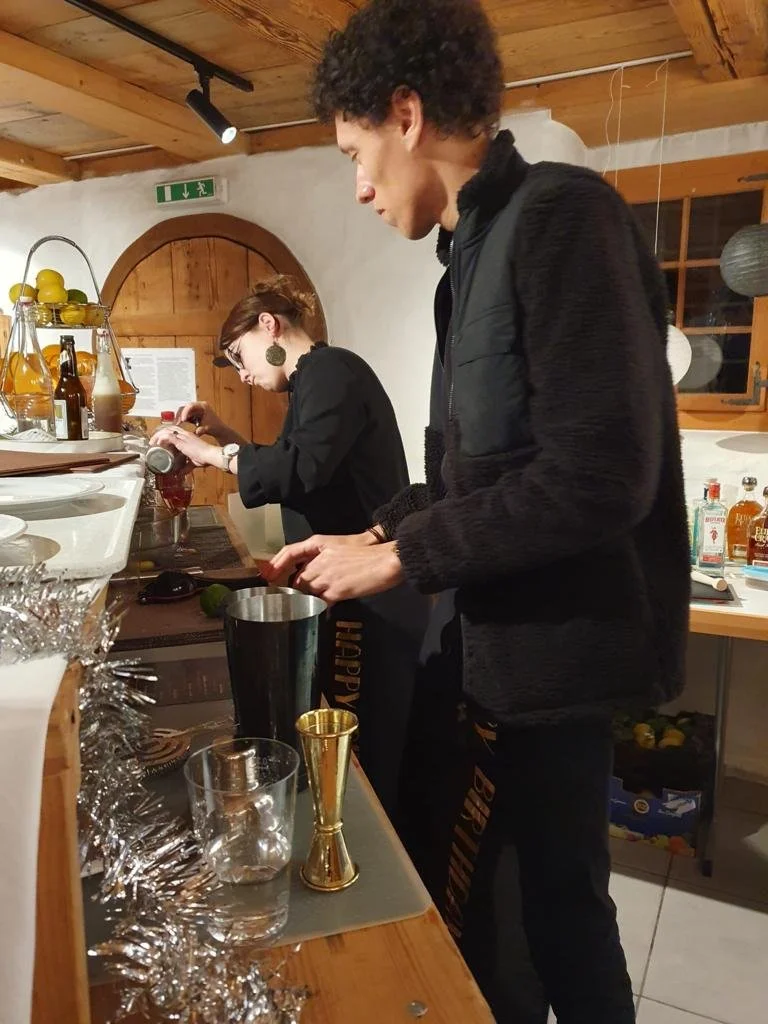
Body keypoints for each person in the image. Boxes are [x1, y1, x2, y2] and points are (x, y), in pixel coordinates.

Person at [269, 2, 690, 1022]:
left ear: (407, 115)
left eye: (355, 153)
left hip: (557, 666)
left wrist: (402, 557)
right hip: (491, 656)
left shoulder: (562, 217)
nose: (359, 187)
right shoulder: (468, 258)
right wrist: (371, 530)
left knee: (563, 923)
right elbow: (475, 474)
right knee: (492, 924)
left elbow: (600, 477)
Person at [151, 275, 428, 815]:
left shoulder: (331, 369)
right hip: (346, 587)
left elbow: (298, 470)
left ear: (269, 325)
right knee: (344, 732)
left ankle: (366, 847)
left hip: (371, 596)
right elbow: (291, 469)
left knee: (362, 742)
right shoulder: (313, 381)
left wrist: (208, 455)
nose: (242, 373)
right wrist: (222, 432)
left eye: (239, 355)